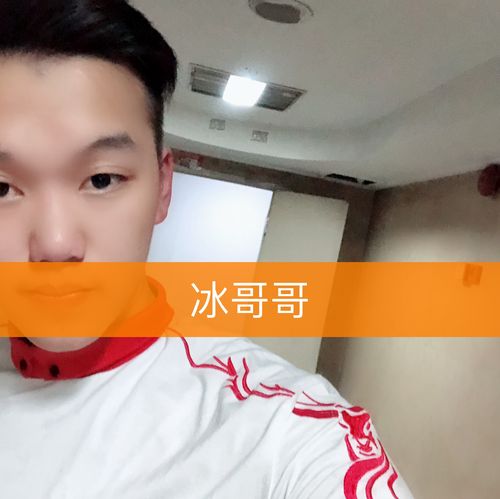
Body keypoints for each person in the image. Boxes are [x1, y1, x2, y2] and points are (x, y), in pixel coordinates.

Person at [0, 1, 413, 497]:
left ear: (163, 188)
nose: (56, 244)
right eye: (2, 188)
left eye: (102, 179)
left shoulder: (285, 432)